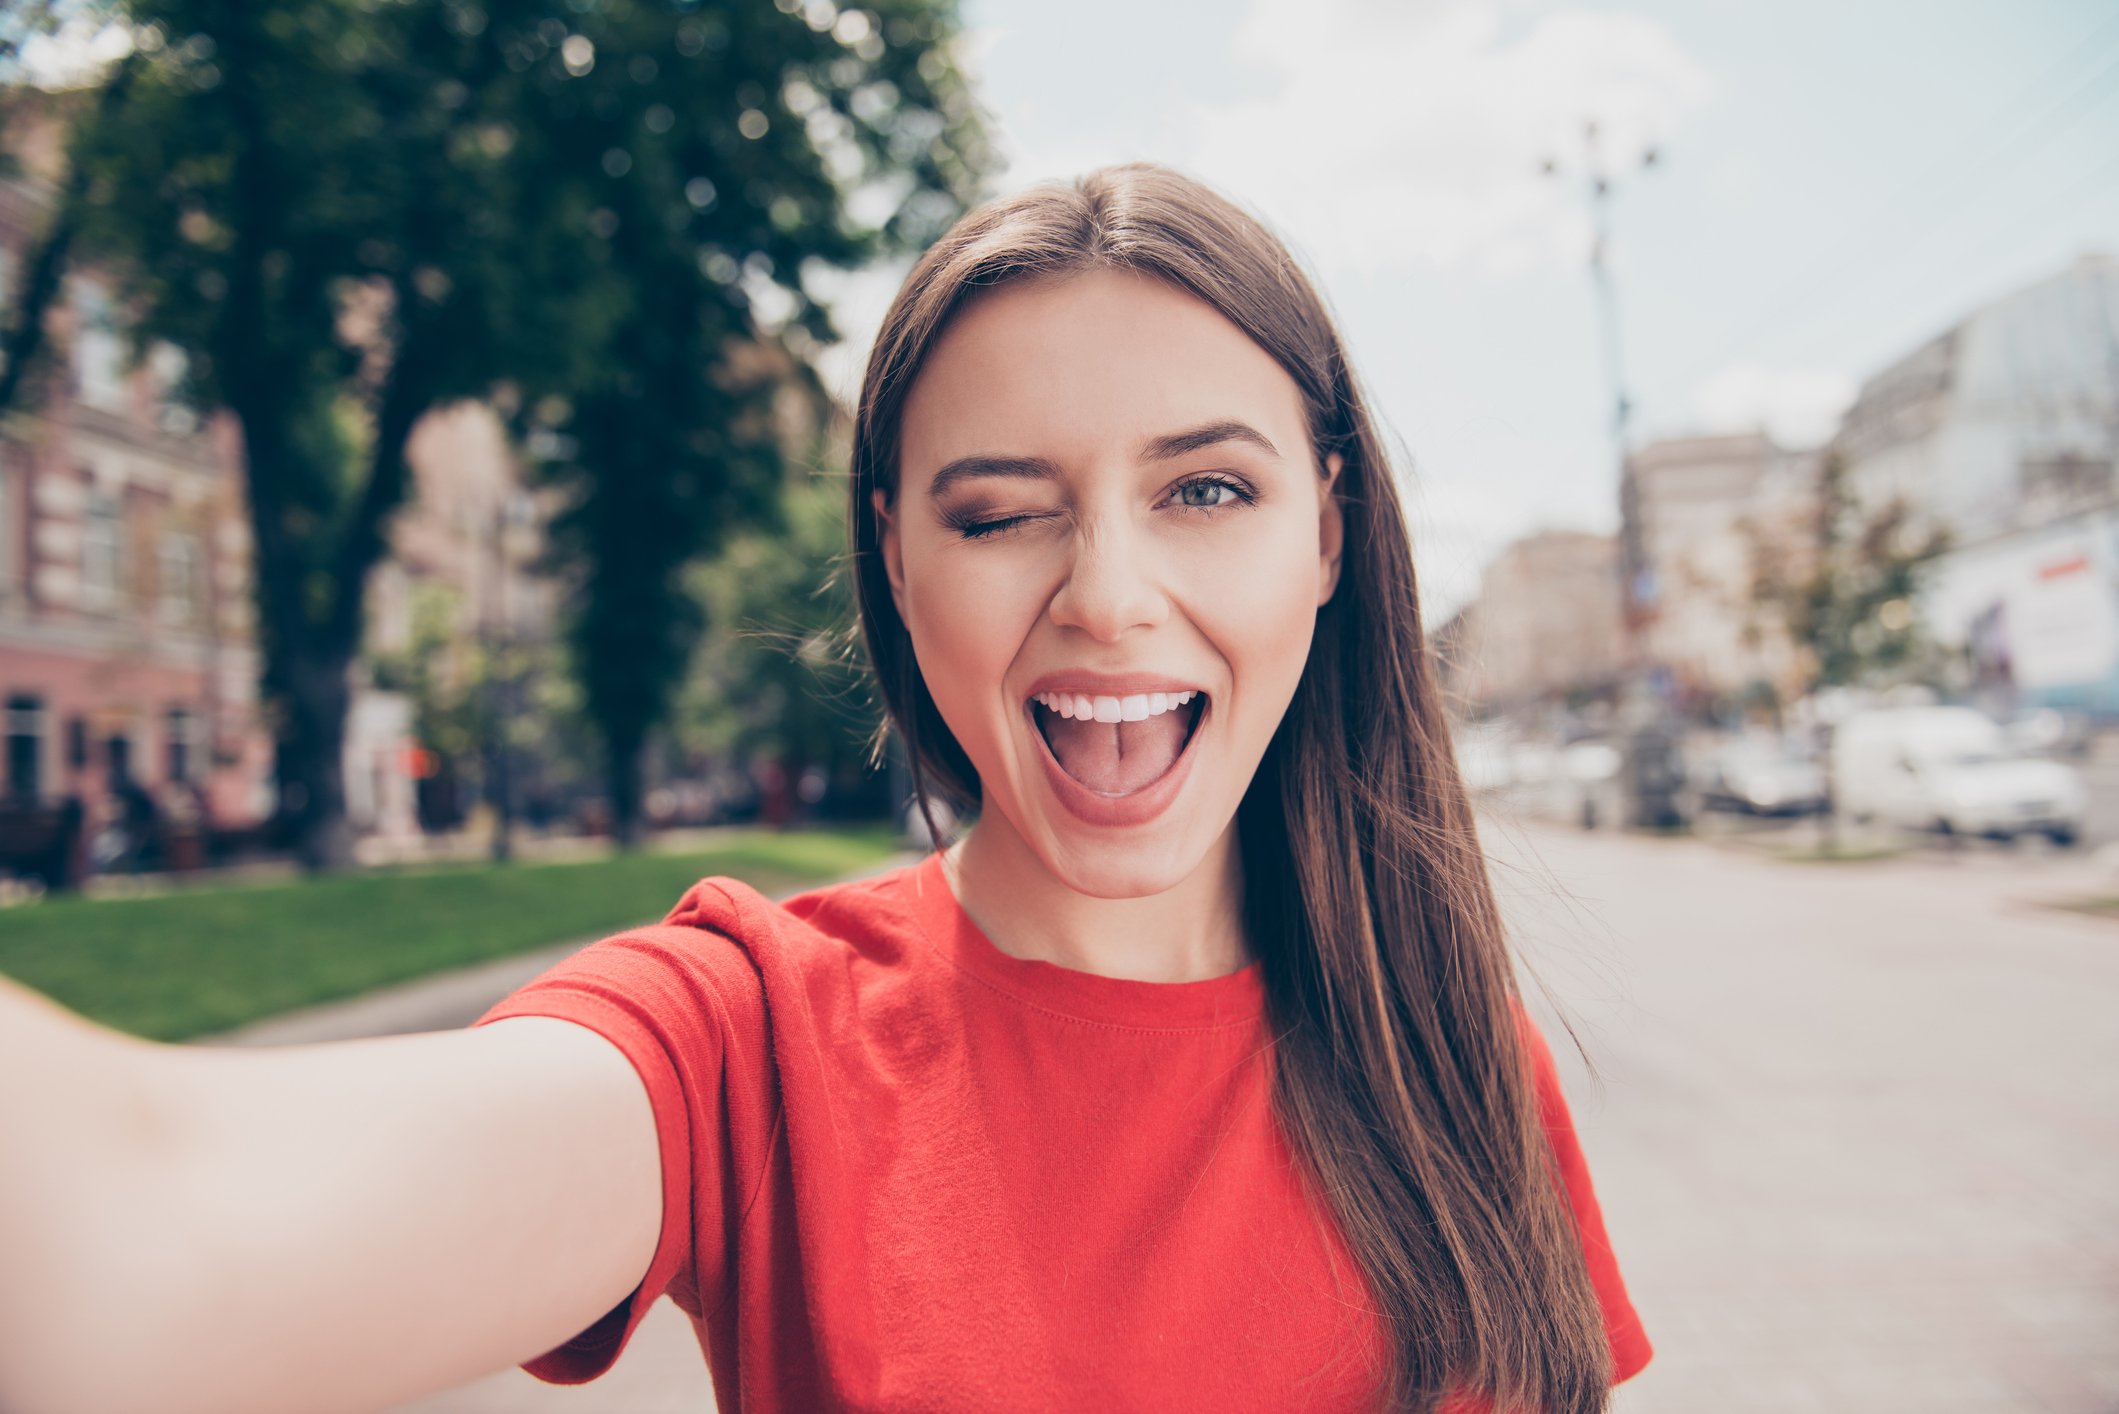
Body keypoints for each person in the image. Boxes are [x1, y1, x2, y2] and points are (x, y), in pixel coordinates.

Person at [0, 165, 1651, 1414]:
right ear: (896, 559)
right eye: (1001, 511)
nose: (1111, 594)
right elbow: (145, 1230)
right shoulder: (751, 1039)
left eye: (1207, 487)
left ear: (1331, 535)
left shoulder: (1446, 1036)